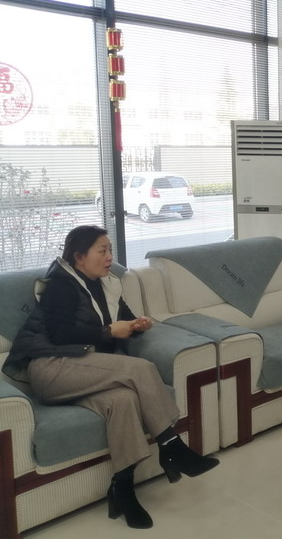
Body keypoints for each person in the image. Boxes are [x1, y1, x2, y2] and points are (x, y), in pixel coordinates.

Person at [2, 225, 219, 530]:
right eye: (102, 250)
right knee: (141, 369)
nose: (109, 257)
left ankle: (123, 489)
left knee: (123, 399)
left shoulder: (106, 285)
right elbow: (60, 333)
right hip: (52, 368)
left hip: (84, 369)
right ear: (79, 256)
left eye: (110, 250)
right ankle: (171, 446)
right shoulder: (61, 284)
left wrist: (138, 324)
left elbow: (124, 319)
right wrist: (107, 331)